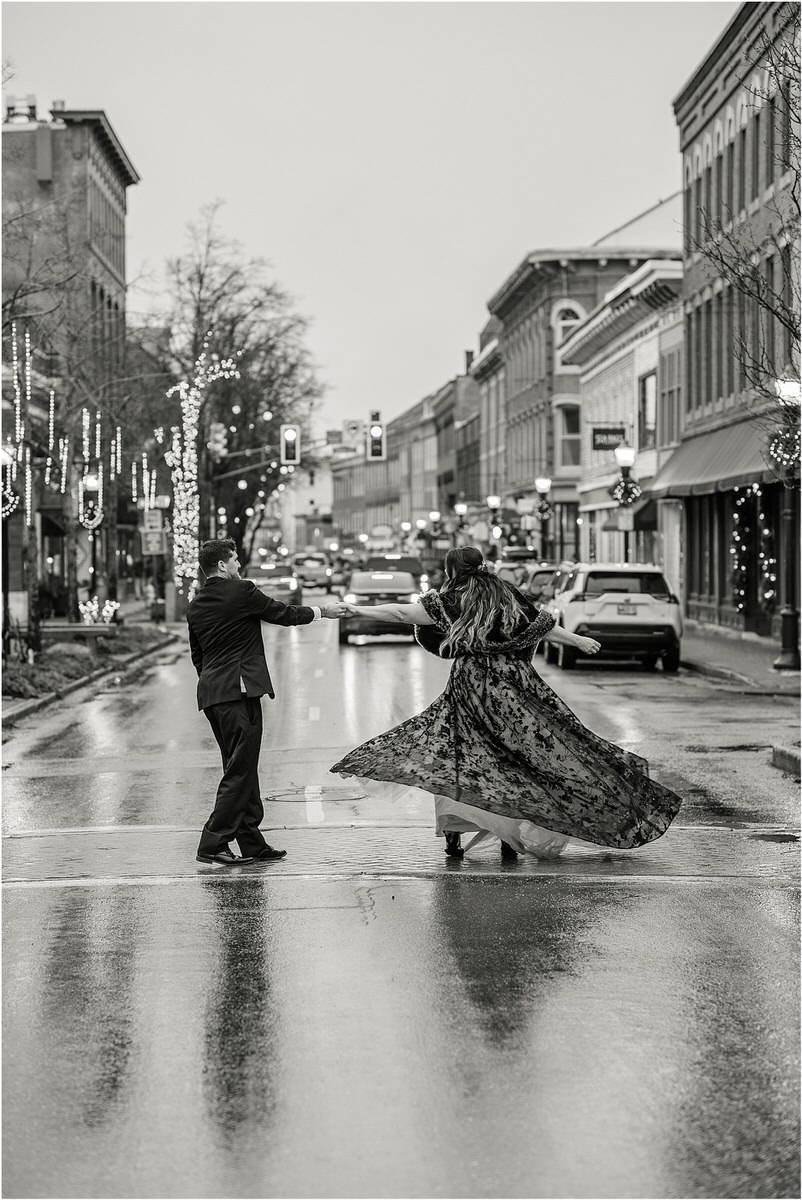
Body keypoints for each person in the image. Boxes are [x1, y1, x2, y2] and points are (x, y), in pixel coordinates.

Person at [330, 545, 682, 860]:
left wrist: (356, 608)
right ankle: (508, 833)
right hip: (516, 684)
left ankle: (455, 832)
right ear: (482, 565)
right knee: (531, 753)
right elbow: (540, 626)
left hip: (473, 686)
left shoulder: (451, 600)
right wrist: (577, 640)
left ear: (452, 570)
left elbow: (400, 615)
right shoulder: (507, 594)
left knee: (460, 754)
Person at [188, 538, 345, 867]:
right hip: (239, 691)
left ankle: (251, 841)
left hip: (214, 694)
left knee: (240, 766)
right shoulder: (242, 591)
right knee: (240, 770)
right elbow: (282, 613)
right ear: (221, 565)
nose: (238, 566)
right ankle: (213, 841)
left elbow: (198, 655)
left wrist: (215, 682)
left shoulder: (197, 603)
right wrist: (322, 611)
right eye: (233, 560)